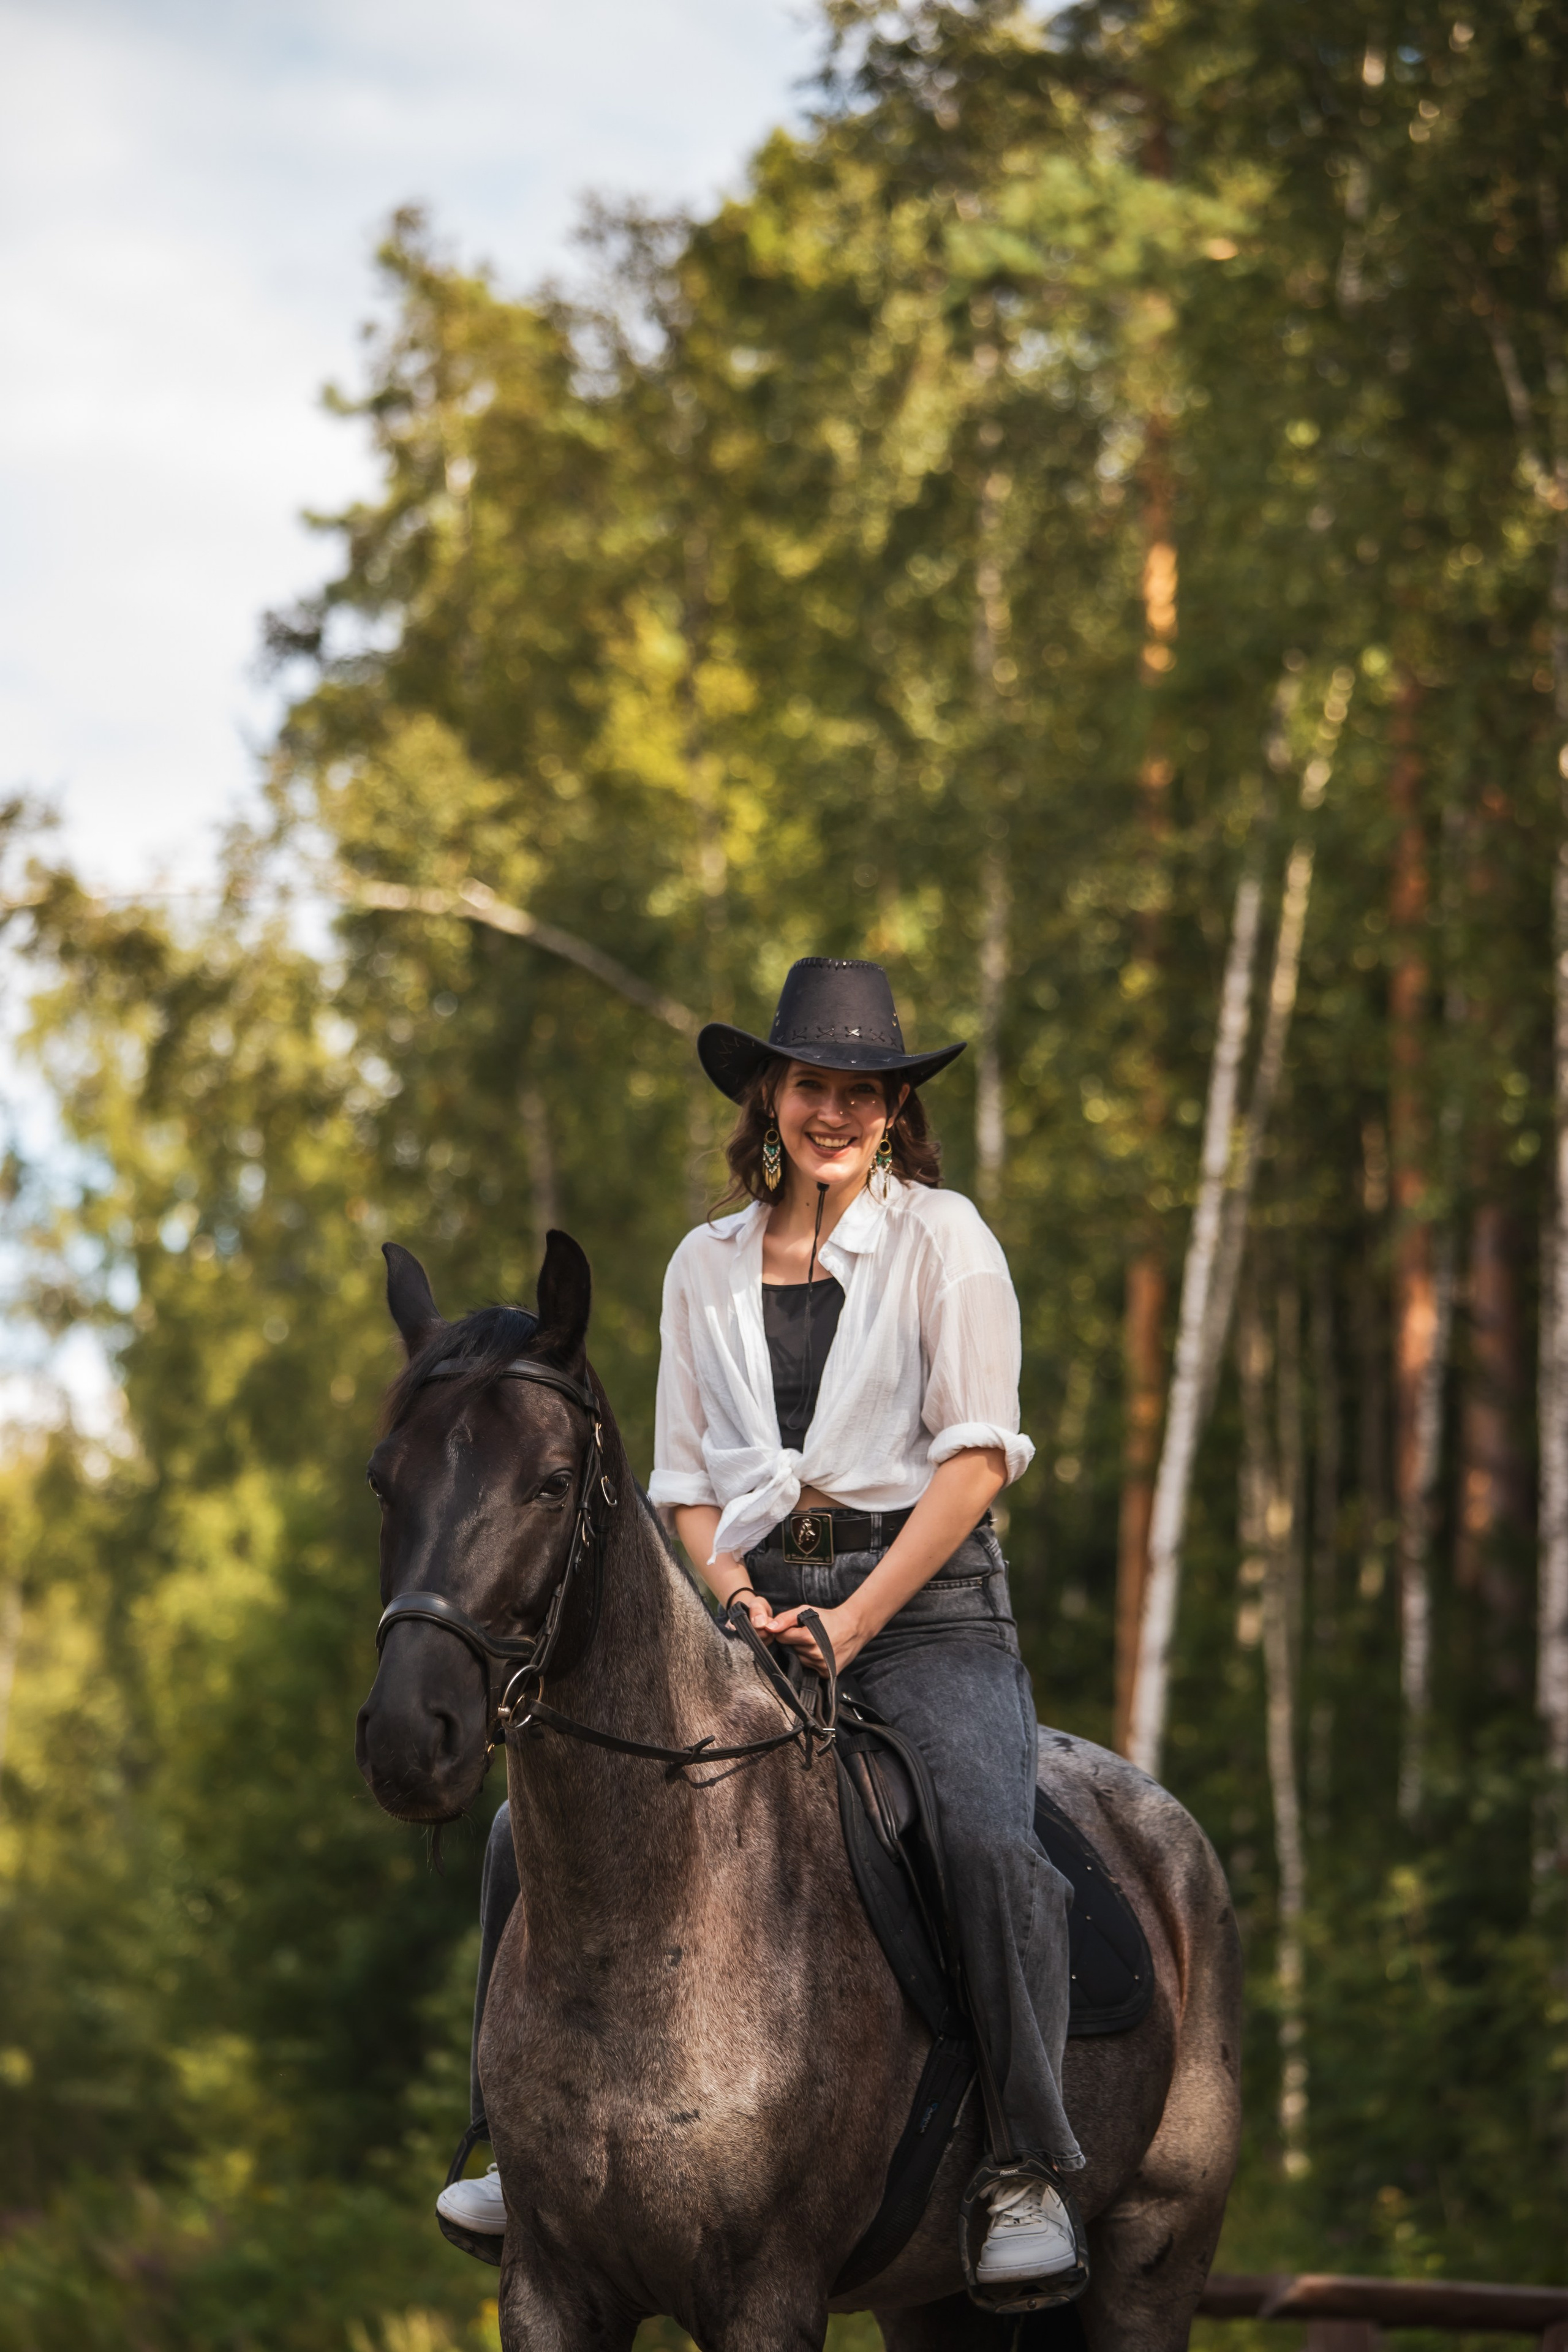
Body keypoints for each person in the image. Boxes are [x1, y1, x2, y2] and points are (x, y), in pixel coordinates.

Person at [438, 957, 1082, 2292]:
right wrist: (740, 1604)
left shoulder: (945, 1240)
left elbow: (972, 1467)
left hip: (921, 1608)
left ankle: (1025, 2163)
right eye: (810, 1085)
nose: (832, 1112)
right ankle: (513, 2145)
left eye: (861, 1090)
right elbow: (680, 1487)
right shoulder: (700, 1266)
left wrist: (848, 1625)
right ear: (770, 1100)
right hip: (747, 1609)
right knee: (521, 1826)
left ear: (894, 1110)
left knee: (979, 1831)